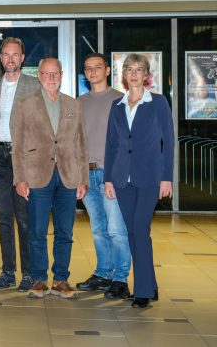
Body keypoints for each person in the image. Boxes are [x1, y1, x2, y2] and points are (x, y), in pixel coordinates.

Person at [10, 58, 88, 299]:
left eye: (55, 73)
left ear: (62, 75)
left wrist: (83, 178)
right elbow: (18, 143)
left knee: (65, 232)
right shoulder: (25, 104)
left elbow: (80, 144)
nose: (51, 77)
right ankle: (39, 278)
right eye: (46, 73)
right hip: (36, 176)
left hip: (68, 176)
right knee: (37, 231)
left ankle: (61, 279)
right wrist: (19, 178)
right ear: (39, 75)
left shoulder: (73, 104)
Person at [104, 53, 174, 309]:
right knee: (133, 231)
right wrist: (109, 179)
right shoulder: (117, 105)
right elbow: (111, 145)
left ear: (146, 75)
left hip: (150, 177)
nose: (133, 74)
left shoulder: (158, 103)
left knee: (140, 230)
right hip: (122, 178)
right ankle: (150, 285)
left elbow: (168, 142)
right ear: (124, 74)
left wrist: (167, 177)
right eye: (129, 69)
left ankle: (142, 290)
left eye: (138, 69)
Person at [0, 37, 41, 291]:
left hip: (24, 159)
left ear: (23, 57)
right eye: (6, 54)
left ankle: (28, 274)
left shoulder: (35, 86)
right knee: (4, 217)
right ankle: (8, 271)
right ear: (0, 58)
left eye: (15, 55)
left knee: (24, 218)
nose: (10, 59)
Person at [75, 53, 130, 299]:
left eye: (98, 67)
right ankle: (103, 273)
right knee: (98, 229)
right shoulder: (79, 102)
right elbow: (75, 141)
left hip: (112, 174)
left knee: (117, 229)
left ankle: (120, 279)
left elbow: (129, 142)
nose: (93, 71)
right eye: (88, 68)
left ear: (107, 70)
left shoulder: (121, 100)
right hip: (87, 173)